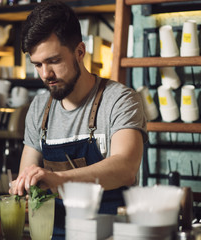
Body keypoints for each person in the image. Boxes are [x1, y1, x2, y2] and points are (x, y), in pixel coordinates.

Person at [10, 1, 148, 239]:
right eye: (38, 65)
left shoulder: (120, 100)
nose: (45, 74)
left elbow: (126, 168)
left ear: (80, 52)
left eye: (53, 61)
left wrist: (58, 179)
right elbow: (27, 178)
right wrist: (23, 184)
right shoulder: (38, 109)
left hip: (110, 234)